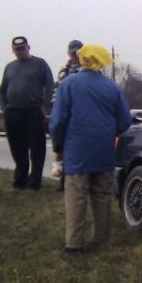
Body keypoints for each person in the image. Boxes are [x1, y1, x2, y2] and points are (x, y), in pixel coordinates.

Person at [49, 43, 130, 254]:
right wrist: (110, 132)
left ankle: (74, 244)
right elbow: (125, 121)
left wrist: (58, 145)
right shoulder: (113, 87)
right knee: (102, 196)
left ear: (82, 59)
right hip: (103, 151)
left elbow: (58, 121)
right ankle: (101, 240)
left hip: (77, 151)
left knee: (76, 197)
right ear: (102, 62)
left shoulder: (68, 84)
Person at [0, 36, 54, 190]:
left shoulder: (39, 63)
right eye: (16, 49)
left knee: (36, 148)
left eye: (22, 48)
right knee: (17, 148)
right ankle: (19, 181)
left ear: (28, 47)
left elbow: (49, 85)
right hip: (13, 112)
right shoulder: (10, 67)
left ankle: (35, 182)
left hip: (34, 111)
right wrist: (4, 108)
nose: (20, 51)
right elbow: (3, 89)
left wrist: (45, 106)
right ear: (12, 50)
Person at [52, 39, 83, 191]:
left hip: (79, 114)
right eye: (73, 52)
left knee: (75, 150)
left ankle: (71, 180)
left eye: (78, 52)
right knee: (61, 148)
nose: (75, 55)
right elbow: (56, 91)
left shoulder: (89, 70)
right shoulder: (63, 71)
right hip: (64, 113)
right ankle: (63, 179)